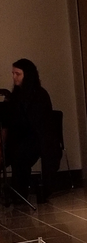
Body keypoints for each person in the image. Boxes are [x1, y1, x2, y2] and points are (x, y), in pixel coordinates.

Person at [0, 59, 61, 203]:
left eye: (18, 74)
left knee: (19, 155)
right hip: (19, 139)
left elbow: (39, 124)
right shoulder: (15, 96)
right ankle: (16, 192)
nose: (14, 77)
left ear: (27, 75)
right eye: (13, 73)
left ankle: (20, 193)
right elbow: (8, 123)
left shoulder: (39, 95)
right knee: (11, 152)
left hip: (37, 139)